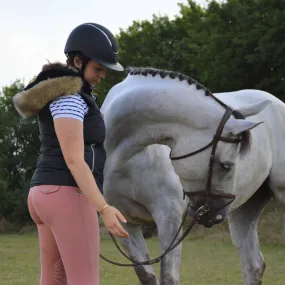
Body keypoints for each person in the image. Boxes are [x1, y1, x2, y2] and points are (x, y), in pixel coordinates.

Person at [12, 23, 129, 285]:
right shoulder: (71, 98)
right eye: (98, 68)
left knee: (54, 279)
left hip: (43, 193)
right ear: (78, 61)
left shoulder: (64, 95)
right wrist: (104, 207)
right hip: (67, 194)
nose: (102, 75)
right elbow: (74, 159)